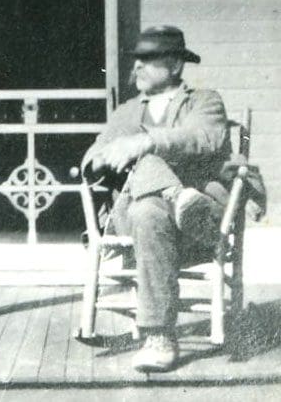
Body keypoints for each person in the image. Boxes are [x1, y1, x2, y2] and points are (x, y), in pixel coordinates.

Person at [81, 25, 232, 373]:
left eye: (147, 60)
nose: (136, 68)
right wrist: (108, 154)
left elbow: (204, 138)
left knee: (149, 200)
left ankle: (159, 336)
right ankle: (177, 197)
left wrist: (145, 143)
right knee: (147, 207)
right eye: (136, 61)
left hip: (196, 226)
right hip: (136, 221)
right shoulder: (126, 112)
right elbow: (90, 158)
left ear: (175, 65)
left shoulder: (204, 101)